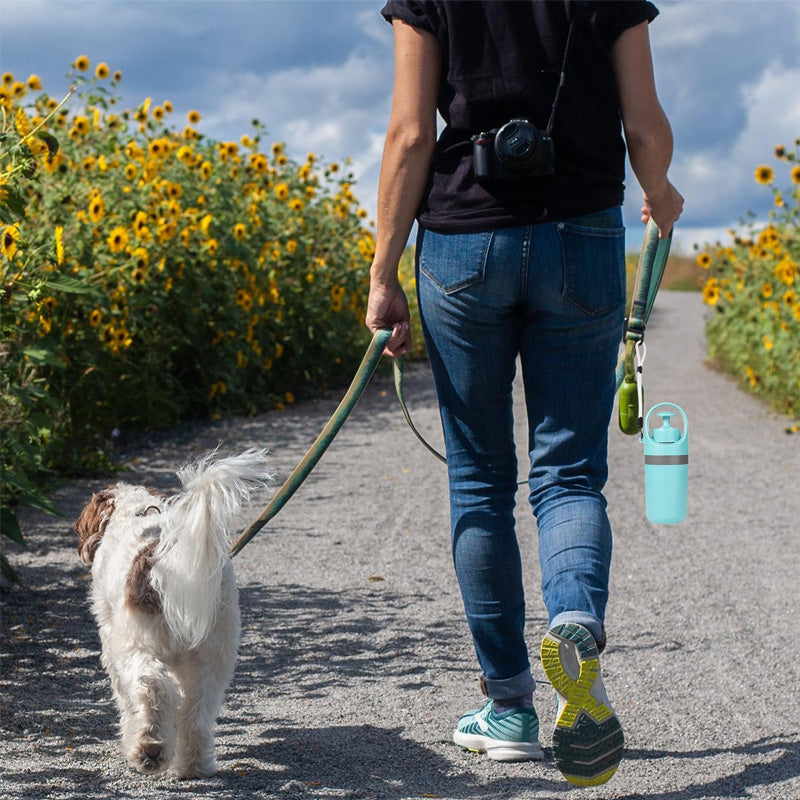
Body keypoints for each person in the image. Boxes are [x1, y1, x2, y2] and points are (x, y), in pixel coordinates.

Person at [365, 0, 683, 788]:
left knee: (479, 479)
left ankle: (509, 707)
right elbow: (643, 124)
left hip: (462, 240)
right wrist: (661, 190)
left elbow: (410, 134)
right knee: (569, 473)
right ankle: (574, 620)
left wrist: (383, 271)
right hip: (582, 232)